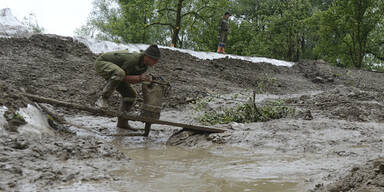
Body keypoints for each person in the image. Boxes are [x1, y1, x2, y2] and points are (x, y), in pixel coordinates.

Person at [94, 45, 161, 130]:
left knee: (131, 95)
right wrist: (139, 78)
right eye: (155, 60)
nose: (156, 62)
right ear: (147, 56)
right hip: (102, 63)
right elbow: (122, 76)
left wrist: (143, 79)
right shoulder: (133, 59)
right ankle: (103, 98)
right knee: (120, 73)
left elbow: (128, 80)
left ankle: (122, 123)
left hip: (117, 74)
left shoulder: (144, 66)